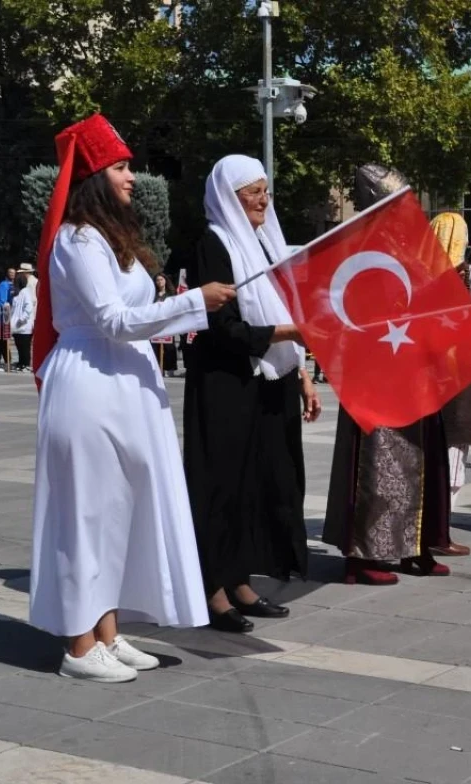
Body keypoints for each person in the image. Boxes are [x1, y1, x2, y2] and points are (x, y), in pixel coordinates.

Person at [28, 114, 234, 683]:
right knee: (85, 513)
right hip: (92, 381)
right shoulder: (76, 238)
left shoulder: (110, 238)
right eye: (121, 167)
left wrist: (191, 307)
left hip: (124, 382)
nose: (132, 177)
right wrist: (194, 302)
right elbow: (113, 320)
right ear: (95, 174)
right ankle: (77, 645)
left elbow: (135, 319)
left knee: (116, 511)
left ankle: (107, 635)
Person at [184, 155, 319, 634]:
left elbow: (285, 303)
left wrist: (301, 373)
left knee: (259, 483)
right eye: (253, 193)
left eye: (265, 191)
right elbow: (222, 327)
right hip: (226, 380)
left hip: (269, 378)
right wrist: (290, 333)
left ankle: (240, 580)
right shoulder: (213, 244)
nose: (264, 201)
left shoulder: (265, 244)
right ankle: (213, 589)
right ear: (229, 198)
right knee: (222, 485)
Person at [323, 165, 455, 584]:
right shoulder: (359, 247)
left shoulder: (411, 246)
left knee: (424, 455)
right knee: (380, 459)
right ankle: (364, 555)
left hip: (416, 365)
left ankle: (416, 544)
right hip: (377, 371)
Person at [432, 212, 471, 558]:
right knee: (448, 459)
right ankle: (439, 530)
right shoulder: (442, 285)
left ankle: (438, 528)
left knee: (452, 456)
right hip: (448, 384)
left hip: (455, 380)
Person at [152, 273, 180, 375]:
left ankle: (170, 368)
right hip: (156, 323)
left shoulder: (171, 294)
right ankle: (159, 368)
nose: (159, 282)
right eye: (157, 280)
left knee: (169, 347)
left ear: (165, 280)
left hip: (168, 323)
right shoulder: (153, 294)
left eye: (161, 279)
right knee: (155, 346)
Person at [9, 271, 35, 371]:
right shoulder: (17, 293)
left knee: (24, 346)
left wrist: (22, 318)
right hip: (17, 326)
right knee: (19, 345)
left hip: (23, 325)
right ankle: (21, 362)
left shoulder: (26, 292)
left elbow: (28, 307)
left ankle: (26, 364)